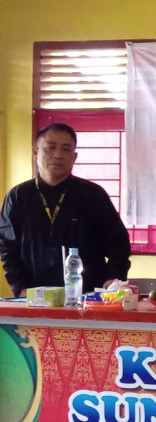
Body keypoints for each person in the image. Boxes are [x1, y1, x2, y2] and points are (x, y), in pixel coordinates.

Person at [0, 123, 131, 297]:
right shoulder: (18, 196)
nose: (57, 155)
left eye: (66, 149)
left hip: (87, 297)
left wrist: (113, 279)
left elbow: (119, 246)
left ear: (74, 157)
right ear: (35, 152)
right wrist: (20, 287)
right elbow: (7, 248)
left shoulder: (92, 194)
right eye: (50, 147)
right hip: (34, 296)